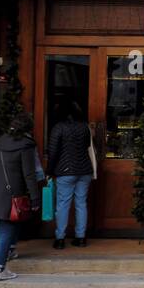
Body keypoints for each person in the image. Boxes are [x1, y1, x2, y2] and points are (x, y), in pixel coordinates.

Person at [0, 111, 43, 282]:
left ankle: (10, 250)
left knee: (10, 223)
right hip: (13, 192)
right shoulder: (25, 145)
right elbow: (29, 174)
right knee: (7, 229)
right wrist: (35, 197)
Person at [48, 99, 96, 249]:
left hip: (65, 171)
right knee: (81, 204)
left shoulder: (58, 128)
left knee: (63, 205)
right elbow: (88, 146)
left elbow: (53, 151)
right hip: (84, 170)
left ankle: (60, 239)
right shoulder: (84, 127)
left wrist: (49, 170)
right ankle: (81, 238)